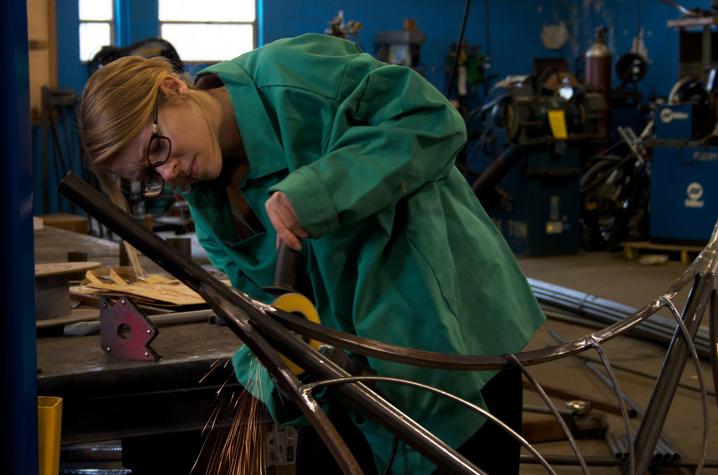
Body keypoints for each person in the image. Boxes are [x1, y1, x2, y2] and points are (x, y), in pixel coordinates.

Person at [79, 33, 545, 474]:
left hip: (451, 337)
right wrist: (273, 367)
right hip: (350, 377)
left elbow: (431, 121)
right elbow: (263, 311)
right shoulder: (209, 204)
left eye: (158, 148)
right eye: (151, 176)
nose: (171, 172)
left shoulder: (294, 74)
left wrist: (321, 191)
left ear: (172, 86)